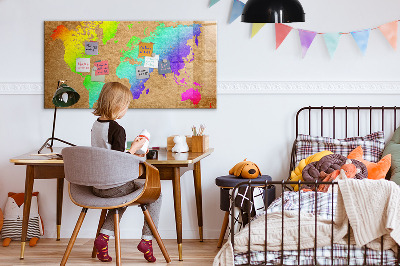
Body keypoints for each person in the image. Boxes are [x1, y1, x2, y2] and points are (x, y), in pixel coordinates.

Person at [91, 82, 161, 263]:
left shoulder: (96, 125)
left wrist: (131, 150)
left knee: (121, 197)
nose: (126, 109)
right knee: (156, 194)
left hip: (97, 186)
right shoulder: (117, 129)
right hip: (114, 186)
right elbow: (119, 161)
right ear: (118, 105)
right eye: (127, 105)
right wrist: (136, 148)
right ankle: (147, 240)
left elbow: (108, 154)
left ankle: (103, 238)